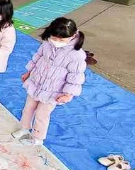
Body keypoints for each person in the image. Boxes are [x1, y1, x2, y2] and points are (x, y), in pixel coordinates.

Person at [13, 17, 86, 147]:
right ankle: (24, 127)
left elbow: (75, 77)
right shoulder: (47, 43)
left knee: (42, 114)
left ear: (73, 36)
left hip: (53, 91)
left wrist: (68, 94)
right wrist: (29, 72)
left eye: (61, 40)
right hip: (36, 83)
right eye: (54, 38)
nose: (57, 42)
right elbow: (37, 57)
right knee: (28, 108)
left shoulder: (76, 55)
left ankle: (37, 137)